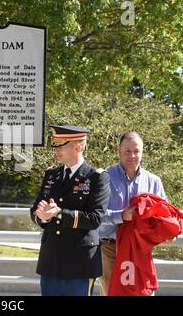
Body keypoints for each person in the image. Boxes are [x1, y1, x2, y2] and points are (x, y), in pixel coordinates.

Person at [30, 125, 110, 296]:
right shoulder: (52, 175)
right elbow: (35, 209)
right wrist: (42, 216)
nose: (56, 150)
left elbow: (95, 218)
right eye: (55, 145)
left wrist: (58, 213)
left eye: (61, 145)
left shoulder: (97, 177)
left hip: (79, 264)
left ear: (78, 147)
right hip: (51, 261)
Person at [98, 131, 167, 296]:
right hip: (110, 249)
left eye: (136, 151)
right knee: (111, 293)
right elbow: (96, 216)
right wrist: (121, 215)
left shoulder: (154, 181)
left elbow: (164, 215)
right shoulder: (104, 178)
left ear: (142, 152)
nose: (132, 155)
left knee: (143, 292)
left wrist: (167, 230)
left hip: (140, 249)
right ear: (118, 151)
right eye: (127, 151)